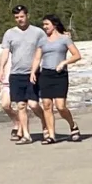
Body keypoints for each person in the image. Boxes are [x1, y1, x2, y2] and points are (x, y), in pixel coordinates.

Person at [0, 5, 45, 144]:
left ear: (27, 16)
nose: (19, 19)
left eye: (22, 16)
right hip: (16, 74)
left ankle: (45, 121)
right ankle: (26, 135)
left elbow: (48, 45)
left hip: (33, 73)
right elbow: (5, 52)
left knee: (33, 104)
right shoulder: (10, 33)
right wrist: (1, 69)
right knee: (21, 106)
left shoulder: (38, 32)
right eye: (17, 17)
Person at [34, 15, 83, 143]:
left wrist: (64, 62)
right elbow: (37, 58)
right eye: (43, 25)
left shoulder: (64, 39)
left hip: (60, 75)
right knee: (46, 105)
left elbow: (77, 55)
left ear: (54, 25)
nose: (44, 27)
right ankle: (51, 135)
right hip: (46, 74)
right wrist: (33, 72)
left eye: (47, 24)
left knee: (61, 106)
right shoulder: (42, 40)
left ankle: (73, 125)